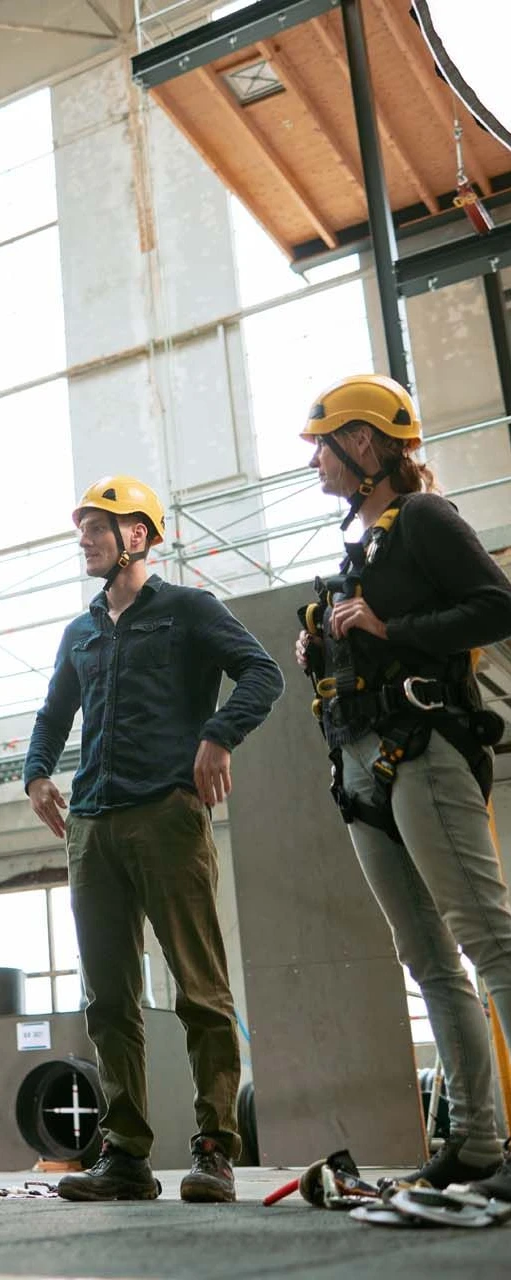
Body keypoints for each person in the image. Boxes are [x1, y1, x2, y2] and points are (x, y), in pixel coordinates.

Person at [24, 476, 283, 1204]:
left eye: (97, 529)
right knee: (108, 999)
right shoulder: (79, 632)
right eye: (82, 531)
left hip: (166, 819)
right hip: (93, 826)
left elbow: (262, 673)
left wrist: (218, 736)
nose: (84, 541)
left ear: (137, 534)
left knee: (200, 991)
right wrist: (37, 775)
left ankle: (215, 1150)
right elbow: (51, 714)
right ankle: (126, 1156)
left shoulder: (189, 611)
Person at [294, 373, 511, 1194]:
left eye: (325, 443)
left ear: (364, 443)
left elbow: (497, 606)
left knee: (487, 938)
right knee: (426, 957)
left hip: (422, 748)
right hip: (362, 764)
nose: (316, 460)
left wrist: (391, 627)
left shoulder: (424, 518)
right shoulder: (368, 541)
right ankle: (476, 1142)